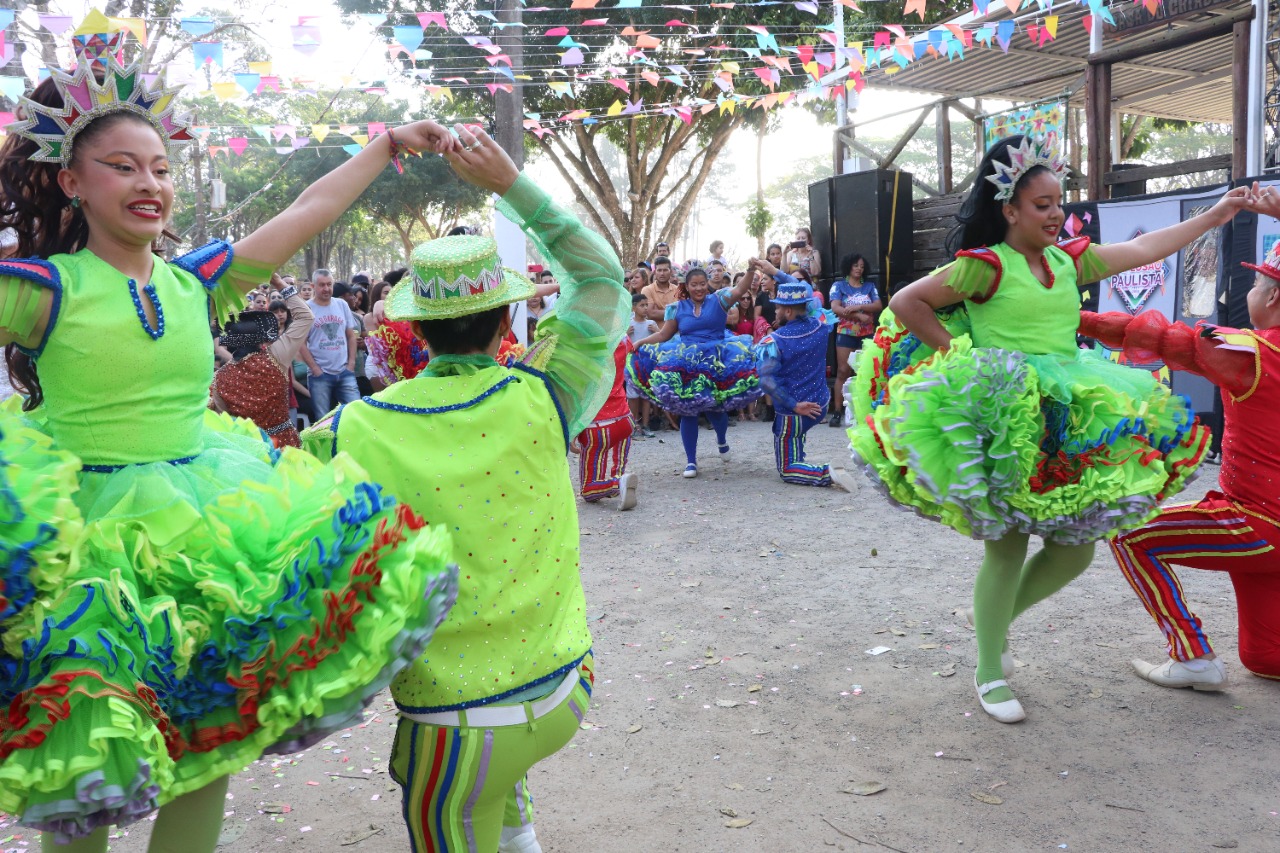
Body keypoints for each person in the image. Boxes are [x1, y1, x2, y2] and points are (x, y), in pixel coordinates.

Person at [0, 56, 460, 851]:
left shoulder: (196, 282)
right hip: (88, 549)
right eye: (121, 167)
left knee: (209, 740)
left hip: (212, 527)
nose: (149, 183)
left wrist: (385, 144)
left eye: (160, 167)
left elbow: (311, 208)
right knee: (85, 756)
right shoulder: (43, 286)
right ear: (71, 182)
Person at [300, 123, 628, 853]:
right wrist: (511, 184)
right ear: (508, 315)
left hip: (454, 730)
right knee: (501, 791)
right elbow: (602, 279)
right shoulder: (547, 394)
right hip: (566, 686)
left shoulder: (348, 429)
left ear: (414, 329)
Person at [848, 133, 1245, 723]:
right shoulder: (984, 267)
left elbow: (1144, 251)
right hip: (1006, 415)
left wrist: (1216, 214)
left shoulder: (1070, 260)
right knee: (1006, 549)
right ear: (1010, 211)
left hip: (1073, 409)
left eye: (1060, 202)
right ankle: (989, 669)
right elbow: (909, 301)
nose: (1057, 212)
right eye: (1042, 204)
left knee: (1074, 551)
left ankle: (994, 625)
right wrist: (958, 356)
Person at [1081, 206, 1280, 689]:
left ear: (1273, 298)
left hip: (1259, 522)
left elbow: (1153, 337)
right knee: (1267, 659)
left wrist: (1070, 318)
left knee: (1128, 532)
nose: (1248, 292)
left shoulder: (1252, 355)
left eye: (1255, 285)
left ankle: (1192, 657)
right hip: (1266, 529)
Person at [630, 266, 762, 478]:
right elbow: (664, 335)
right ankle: (691, 461)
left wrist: (750, 271)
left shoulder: (719, 300)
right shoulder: (676, 308)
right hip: (687, 363)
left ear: (707, 283)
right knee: (687, 410)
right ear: (687, 286)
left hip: (718, 360)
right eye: (694, 284)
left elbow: (739, 290)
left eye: (702, 284)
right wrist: (641, 342)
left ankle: (721, 438)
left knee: (716, 410)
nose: (699, 288)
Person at [754, 271, 837, 486]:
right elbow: (807, 295)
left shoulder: (775, 340)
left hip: (795, 412)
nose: (776, 310)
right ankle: (800, 459)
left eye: (779, 307)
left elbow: (766, 381)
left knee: (787, 470)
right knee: (796, 441)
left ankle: (827, 474)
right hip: (820, 404)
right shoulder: (822, 325)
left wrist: (794, 405)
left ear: (788, 311)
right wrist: (773, 271)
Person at [575, 338, 639, 509]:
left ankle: (618, 484)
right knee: (611, 467)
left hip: (597, 426)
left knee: (588, 491)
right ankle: (620, 478)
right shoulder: (622, 338)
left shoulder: (582, 342)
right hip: (625, 419)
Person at [828, 252, 882, 427]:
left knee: (865, 372)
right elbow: (836, 308)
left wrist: (855, 306)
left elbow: (878, 305)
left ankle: (864, 412)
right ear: (848, 267)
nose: (859, 269)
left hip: (866, 334)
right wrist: (860, 315)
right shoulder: (839, 286)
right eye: (856, 265)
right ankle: (837, 412)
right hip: (845, 334)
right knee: (843, 371)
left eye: (862, 266)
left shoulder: (869, 287)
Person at [300, 269, 360, 417]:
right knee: (322, 419)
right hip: (320, 375)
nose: (326, 289)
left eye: (329, 284)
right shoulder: (306, 308)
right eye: (322, 285)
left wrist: (351, 363)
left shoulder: (341, 304)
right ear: (313, 286)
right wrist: (315, 369)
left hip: (345, 371)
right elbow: (300, 343)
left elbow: (351, 336)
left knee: (356, 413)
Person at [628, 293, 658, 438]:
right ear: (634, 307)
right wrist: (625, 334)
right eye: (642, 305)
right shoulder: (628, 325)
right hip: (632, 364)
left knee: (646, 395)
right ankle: (634, 425)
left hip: (647, 363)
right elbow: (621, 344)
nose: (645, 308)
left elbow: (659, 342)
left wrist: (657, 332)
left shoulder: (651, 324)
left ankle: (645, 425)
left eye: (646, 305)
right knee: (632, 395)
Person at [641, 255, 679, 322]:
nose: (662, 273)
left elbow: (684, 313)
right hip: (654, 331)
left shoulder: (678, 290)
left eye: (665, 270)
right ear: (655, 272)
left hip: (676, 331)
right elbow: (650, 314)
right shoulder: (647, 290)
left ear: (670, 272)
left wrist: (657, 311)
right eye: (659, 270)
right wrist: (675, 312)